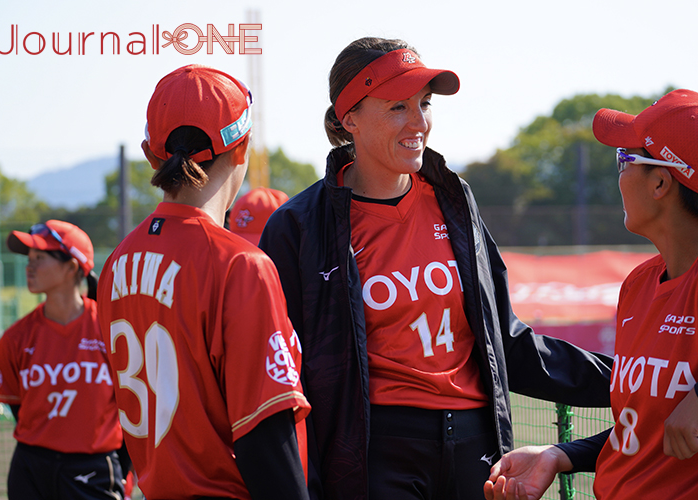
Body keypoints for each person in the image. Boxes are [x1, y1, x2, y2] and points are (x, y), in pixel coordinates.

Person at [258, 37, 612, 500]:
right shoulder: (299, 226)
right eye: (398, 107)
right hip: (377, 456)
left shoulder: (454, 200)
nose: (419, 122)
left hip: (477, 451)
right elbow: (283, 374)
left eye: (424, 104)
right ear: (350, 119)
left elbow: (504, 341)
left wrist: (631, 380)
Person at [484, 89, 698, 500]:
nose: (618, 175)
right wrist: (559, 455)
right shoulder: (640, 283)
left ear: (660, 182)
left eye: (624, 160)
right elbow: (645, 427)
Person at [97, 64, 311, 500]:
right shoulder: (239, 264)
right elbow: (264, 435)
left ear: (151, 154)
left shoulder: (117, 263)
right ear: (242, 147)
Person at [0, 220, 125, 500]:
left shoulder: (111, 329)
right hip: (30, 468)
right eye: (29, 258)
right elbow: (19, 409)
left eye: (40, 258)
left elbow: (131, 408)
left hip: (93, 467)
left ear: (71, 266)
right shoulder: (15, 337)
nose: (30, 266)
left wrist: (124, 470)